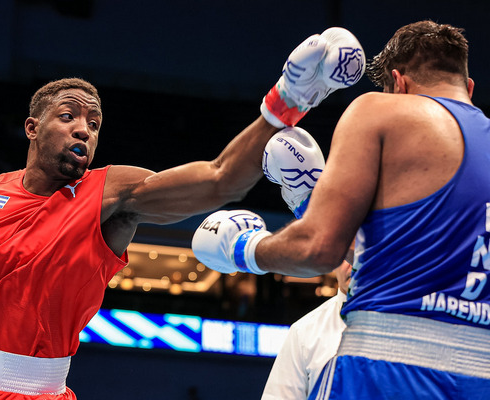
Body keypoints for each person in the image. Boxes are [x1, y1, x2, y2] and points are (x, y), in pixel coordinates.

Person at [0, 28, 365, 399]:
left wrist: (286, 102)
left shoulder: (110, 193)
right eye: (68, 116)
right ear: (32, 128)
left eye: (94, 122)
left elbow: (221, 179)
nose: (83, 127)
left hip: (41, 392)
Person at [192, 20, 490, 399]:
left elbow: (317, 249)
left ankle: (307, 199)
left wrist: (243, 248)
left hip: (384, 368)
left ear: (398, 84)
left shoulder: (380, 111)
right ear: (469, 88)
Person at [261, 261, 351, 400]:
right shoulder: (303, 331)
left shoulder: (395, 323)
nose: (353, 263)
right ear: (335, 258)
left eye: (360, 252)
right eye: (348, 255)